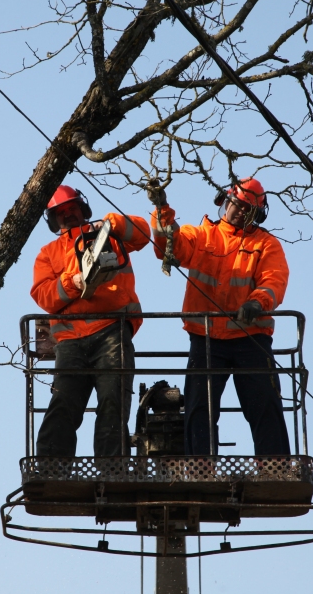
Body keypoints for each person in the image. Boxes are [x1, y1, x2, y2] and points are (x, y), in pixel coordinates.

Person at [149, 177, 290, 456]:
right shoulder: (201, 235)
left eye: (247, 210)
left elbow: (274, 280)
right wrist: (162, 208)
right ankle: (201, 468)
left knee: (265, 404)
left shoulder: (266, 244)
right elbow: (169, 247)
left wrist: (257, 303)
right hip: (206, 337)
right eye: (236, 204)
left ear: (256, 214)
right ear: (225, 201)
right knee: (199, 407)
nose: (238, 212)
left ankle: (275, 468)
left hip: (251, 337)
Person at [31, 184, 150, 457]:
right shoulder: (48, 253)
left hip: (112, 329)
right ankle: (52, 468)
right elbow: (44, 296)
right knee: (63, 403)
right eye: (61, 212)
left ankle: (112, 471)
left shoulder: (109, 234)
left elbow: (144, 235)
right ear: (53, 219)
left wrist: (113, 223)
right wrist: (73, 282)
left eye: (72, 208)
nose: (68, 214)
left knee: (113, 402)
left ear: (82, 208)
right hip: (70, 342)